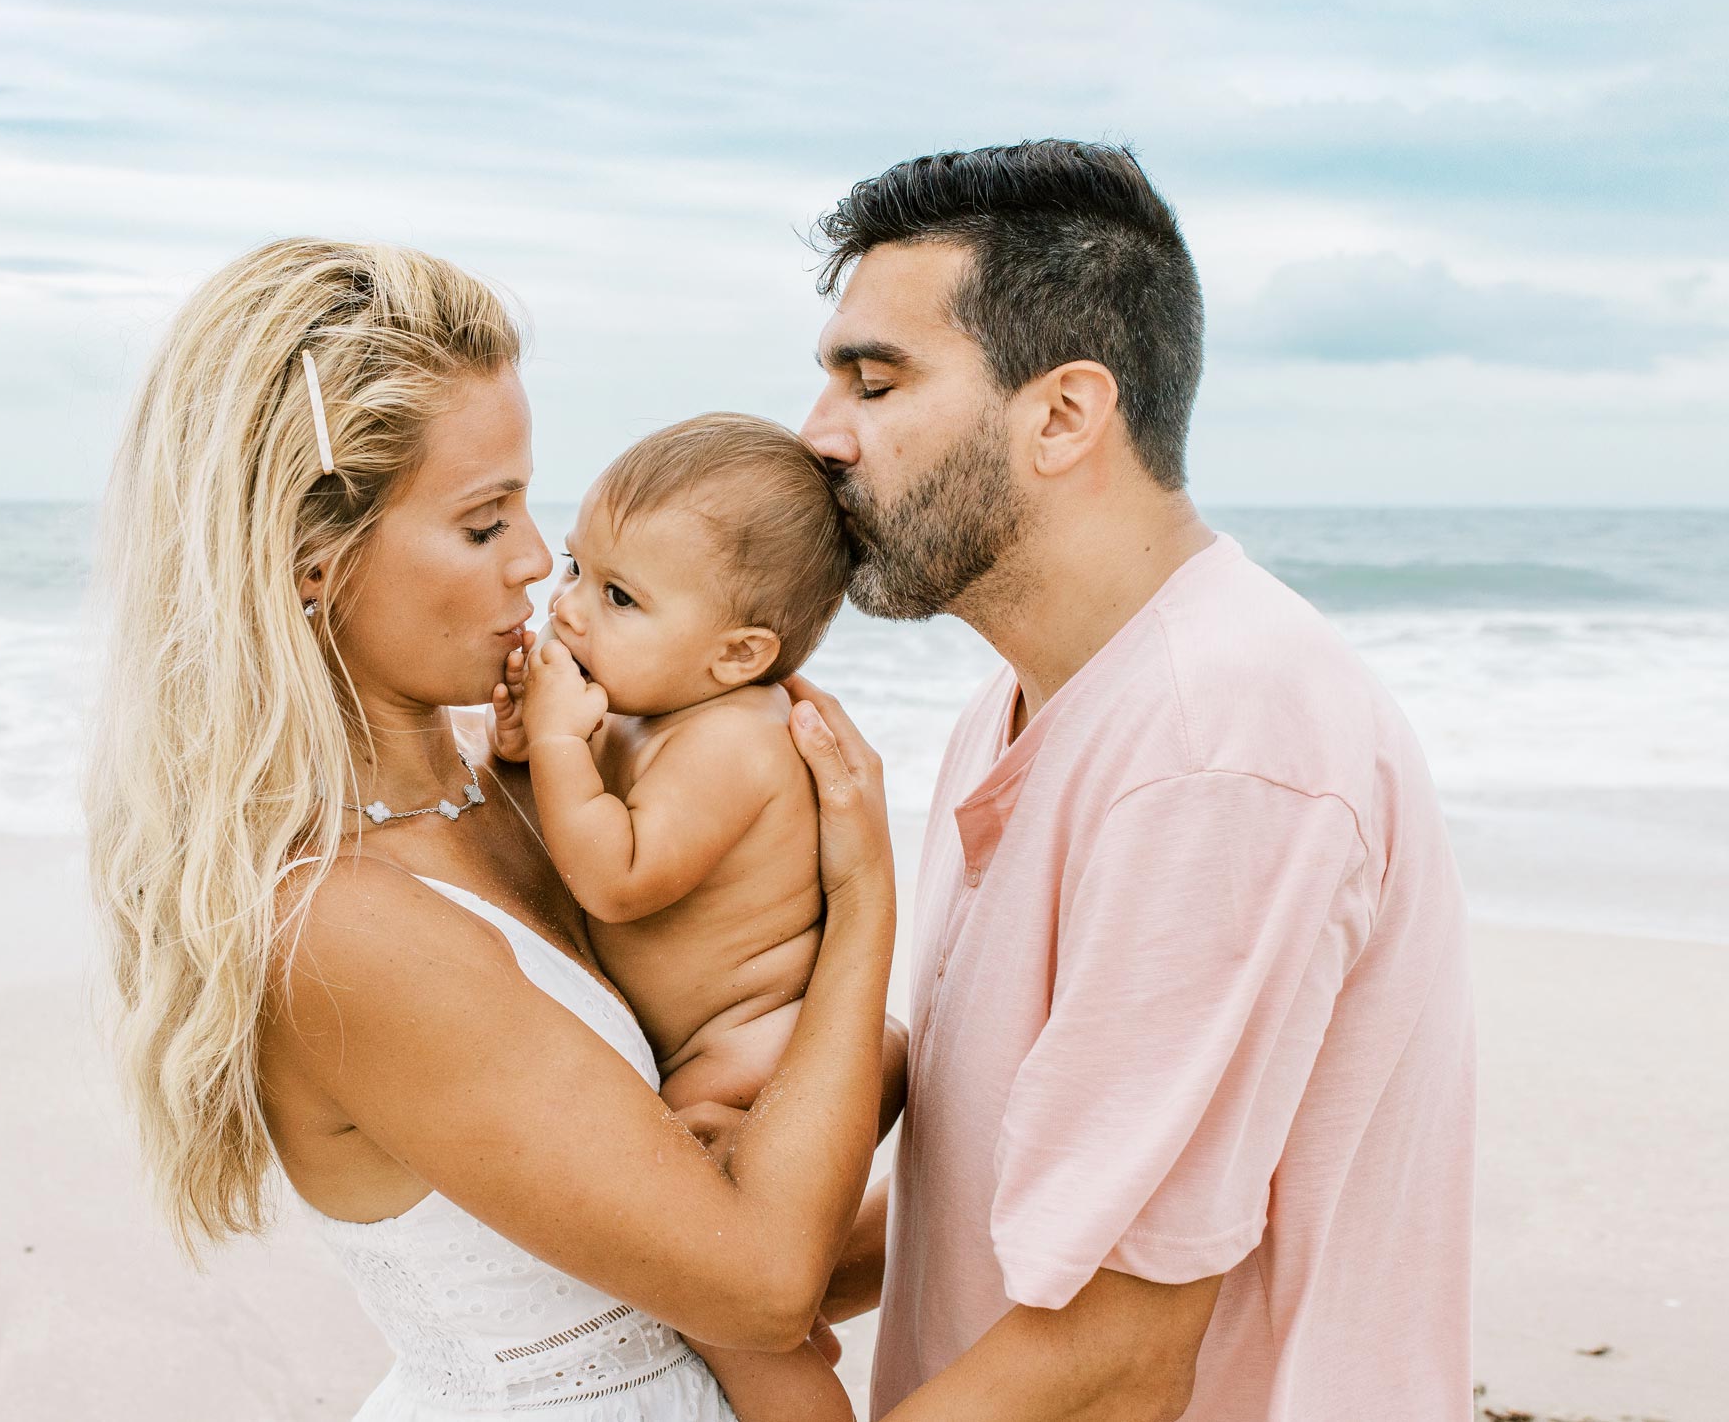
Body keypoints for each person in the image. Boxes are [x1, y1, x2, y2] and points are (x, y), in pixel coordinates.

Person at [86, 237, 897, 1421]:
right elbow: (763, 1288)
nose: (535, 561)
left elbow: (711, 1252)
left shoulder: (513, 790)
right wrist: (866, 895)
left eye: (529, 502)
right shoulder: (341, 924)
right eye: (481, 523)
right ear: (311, 565)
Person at [801, 142, 1476, 1420]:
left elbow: (1113, 1352)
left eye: (874, 383)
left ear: (1061, 413)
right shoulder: (1020, 699)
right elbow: (1022, 1200)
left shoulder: (1217, 743)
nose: (819, 434)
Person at [488, 413, 910, 1421]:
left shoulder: (735, 740)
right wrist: (525, 746)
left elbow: (618, 876)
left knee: (710, 1281)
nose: (572, 610)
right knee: (714, 1267)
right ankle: (816, 1290)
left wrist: (552, 747)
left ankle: (797, 1400)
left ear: (737, 654)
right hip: (733, 1040)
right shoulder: (649, 710)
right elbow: (584, 808)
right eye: (580, 569)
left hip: (749, 1052)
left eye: (620, 597)